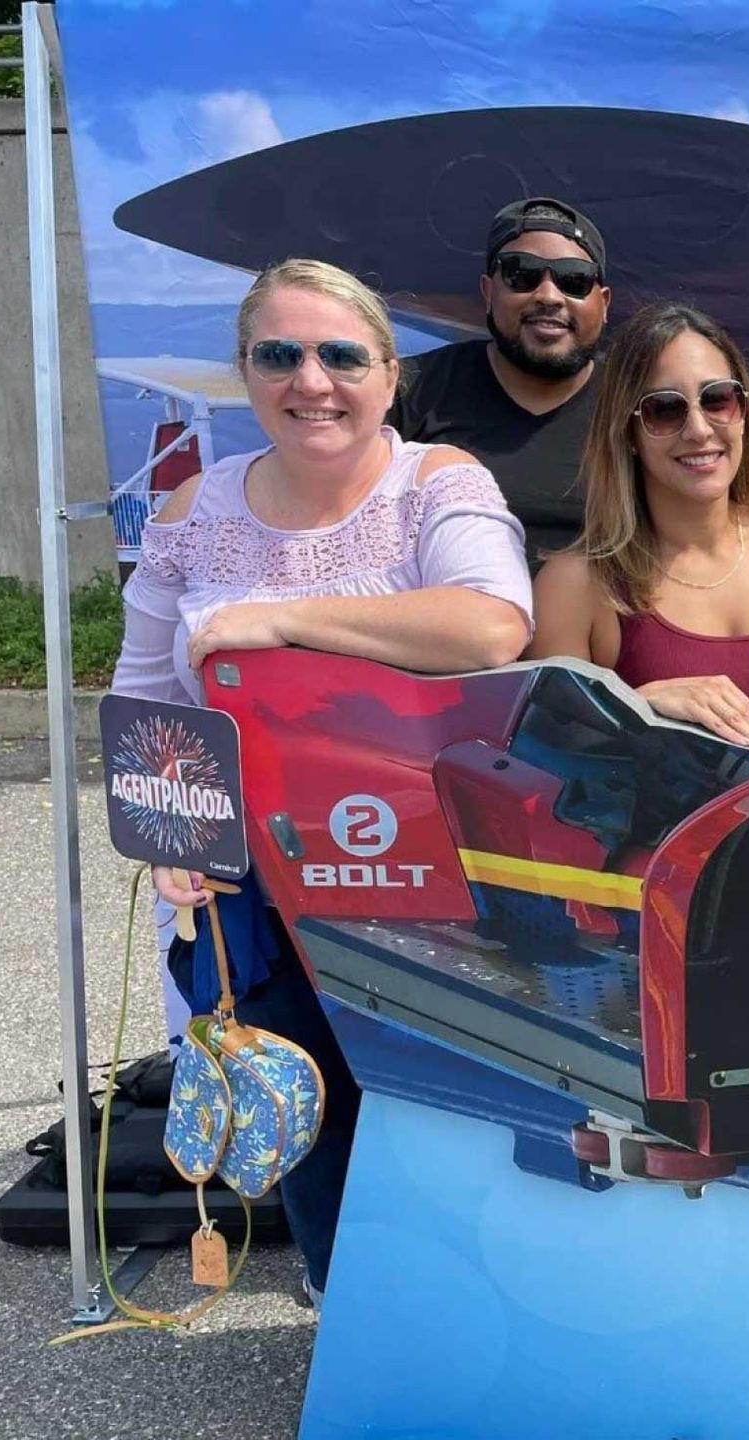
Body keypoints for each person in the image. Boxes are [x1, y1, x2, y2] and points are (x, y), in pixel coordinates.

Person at [113, 258, 534, 1304]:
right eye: (280, 355)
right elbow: (146, 700)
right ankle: (350, 1324)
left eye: (343, 355)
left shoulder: (439, 483)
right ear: (246, 374)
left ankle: (464, 1328)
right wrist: (173, 842)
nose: (314, 380)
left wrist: (283, 623)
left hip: (431, 872)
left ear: (388, 377)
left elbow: (490, 623)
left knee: (446, 1108)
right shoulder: (187, 513)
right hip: (256, 884)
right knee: (303, 1106)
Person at [528, 303, 749, 747]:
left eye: (718, 399)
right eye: (664, 410)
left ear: (745, 411)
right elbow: (549, 764)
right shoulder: (576, 585)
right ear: (627, 432)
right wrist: (639, 707)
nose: (698, 429)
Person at [388, 196, 612, 561]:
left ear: (603, 304)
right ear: (489, 293)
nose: (548, 296)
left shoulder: (644, 406)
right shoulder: (407, 390)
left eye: (574, 279)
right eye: (521, 274)